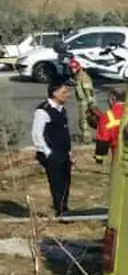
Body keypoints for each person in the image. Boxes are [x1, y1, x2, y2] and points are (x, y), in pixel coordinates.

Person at [31, 83, 74, 218]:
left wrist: (69, 151)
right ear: (54, 93)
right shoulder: (43, 110)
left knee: (66, 180)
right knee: (57, 182)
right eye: (64, 92)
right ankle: (60, 210)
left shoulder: (62, 110)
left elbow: (64, 132)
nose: (67, 95)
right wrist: (48, 153)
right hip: (51, 153)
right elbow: (37, 134)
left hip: (63, 152)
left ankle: (64, 207)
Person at [66, 57, 96, 140]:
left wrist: (91, 104)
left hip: (85, 102)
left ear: (78, 67)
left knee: (84, 120)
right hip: (81, 101)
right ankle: (85, 135)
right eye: (71, 68)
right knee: (82, 120)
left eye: (74, 68)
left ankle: (87, 138)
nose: (72, 70)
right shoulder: (77, 76)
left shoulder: (83, 76)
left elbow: (88, 91)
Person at [93, 88, 125, 164]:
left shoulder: (107, 116)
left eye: (108, 99)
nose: (107, 101)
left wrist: (99, 158)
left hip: (116, 151)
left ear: (113, 98)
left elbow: (102, 140)